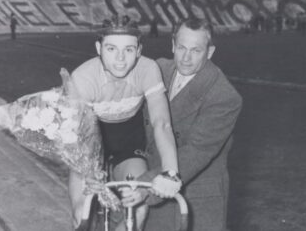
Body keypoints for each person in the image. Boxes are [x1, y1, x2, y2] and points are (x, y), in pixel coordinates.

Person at [121, 18, 242, 231]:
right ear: (172, 45)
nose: (186, 58)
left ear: (210, 52)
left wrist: (144, 186)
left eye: (196, 51)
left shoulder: (224, 96)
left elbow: (196, 152)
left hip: (192, 199)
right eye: (181, 48)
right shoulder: (157, 69)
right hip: (152, 191)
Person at [68, 15, 182, 231]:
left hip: (128, 143)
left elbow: (162, 123)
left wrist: (171, 172)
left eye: (128, 50)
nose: (120, 59)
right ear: (98, 48)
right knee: (80, 214)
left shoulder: (148, 69)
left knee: (138, 208)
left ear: (139, 50)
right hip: (90, 144)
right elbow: (78, 135)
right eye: (111, 49)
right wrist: (89, 170)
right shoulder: (83, 78)